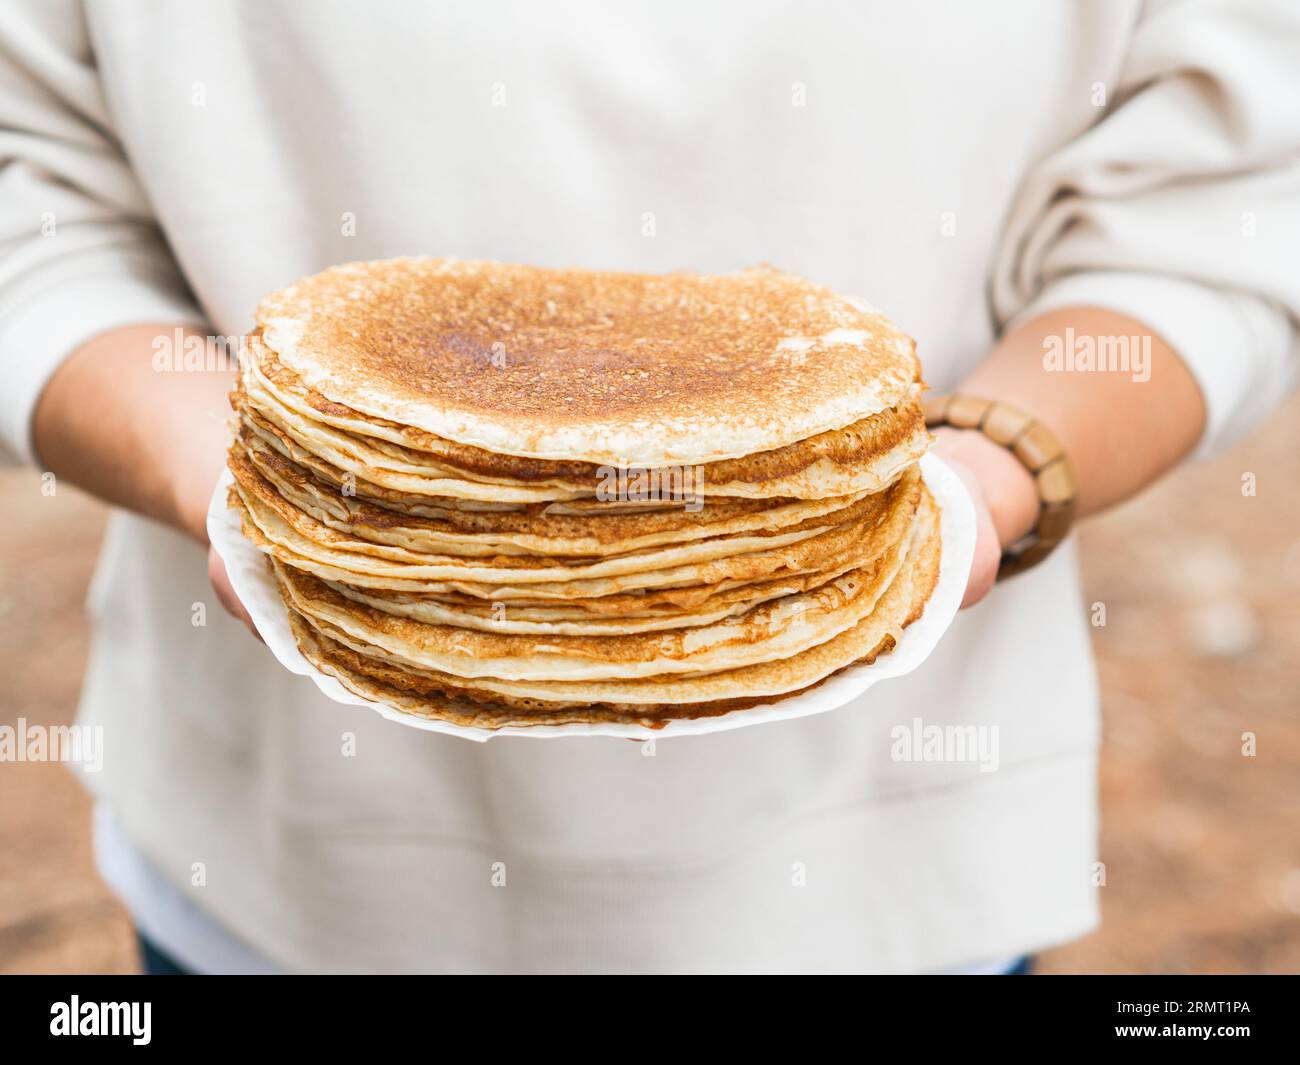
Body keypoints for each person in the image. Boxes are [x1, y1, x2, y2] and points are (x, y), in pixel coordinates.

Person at [3, 0, 1296, 974]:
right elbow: (30, 186)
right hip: (271, 883)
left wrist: (986, 479)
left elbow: (1219, 213)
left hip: (881, 895)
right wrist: (247, 479)